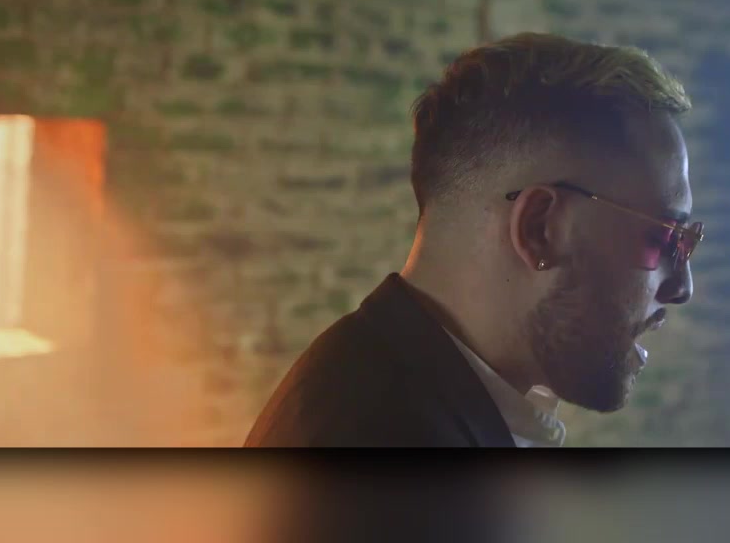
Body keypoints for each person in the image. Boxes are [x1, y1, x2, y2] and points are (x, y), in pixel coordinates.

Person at [245, 33, 702, 447]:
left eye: (687, 240)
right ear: (539, 230)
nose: (683, 287)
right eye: (663, 236)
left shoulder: (390, 387)